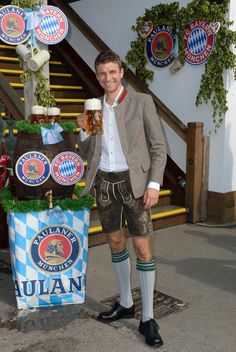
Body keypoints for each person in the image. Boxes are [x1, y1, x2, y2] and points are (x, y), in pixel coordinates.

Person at [77, 50, 167, 348]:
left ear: (121, 72)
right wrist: (82, 130)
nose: (108, 78)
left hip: (135, 183)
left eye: (112, 72)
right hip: (104, 183)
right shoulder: (94, 108)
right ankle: (126, 303)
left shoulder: (141, 102)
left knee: (142, 247)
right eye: (102, 73)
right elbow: (89, 149)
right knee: (116, 243)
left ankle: (148, 318)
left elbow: (158, 146)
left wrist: (154, 184)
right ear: (97, 75)